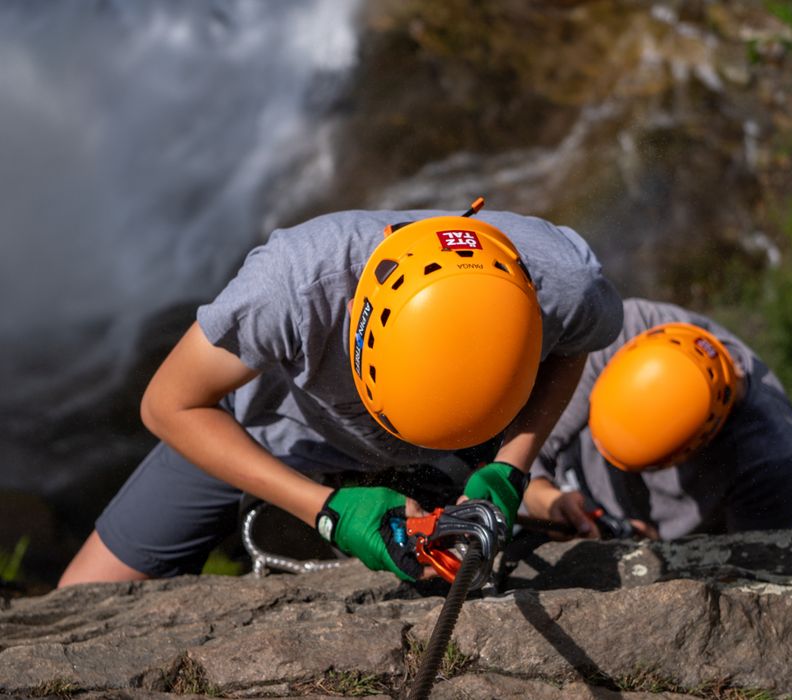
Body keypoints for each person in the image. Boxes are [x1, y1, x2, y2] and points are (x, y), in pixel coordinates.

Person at [58, 200, 623, 586]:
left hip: (458, 453)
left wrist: (509, 469)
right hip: (273, 430)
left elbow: (574, 348)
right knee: (85, 594)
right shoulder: (290, 287)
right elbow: (167, 405)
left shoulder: (566, 283)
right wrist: (326, 512)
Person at [523, 297, 792, 541]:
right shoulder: (626, 330)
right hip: (559, 480)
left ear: (693, 448)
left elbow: (742, 572)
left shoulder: (772, 464)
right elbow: (529, 444)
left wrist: (658, 551)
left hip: (657, 541)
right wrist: (542, 495)